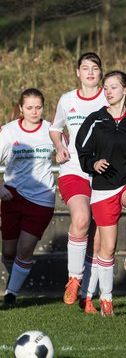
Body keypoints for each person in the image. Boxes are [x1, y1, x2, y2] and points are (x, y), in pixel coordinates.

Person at [75, 70, 126, 316]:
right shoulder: (95, 120)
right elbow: (83, 152)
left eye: (113, 87)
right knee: (106, 249)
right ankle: (106, 300)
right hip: (102, 189)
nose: (108, 91)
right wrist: (93, 164)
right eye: (106, 87)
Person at [49, 52, 108, 313]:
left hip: (105, 174)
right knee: (81, 219)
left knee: (97, 239)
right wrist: (60, 146)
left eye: (94, 68)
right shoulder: (67, 99)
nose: (90, 73)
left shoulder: (109, 97)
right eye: (85, 68)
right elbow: (54, 128)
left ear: (101, 72)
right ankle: (74, 278)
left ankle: (88, 297)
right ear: (78, 72)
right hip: (74, 170)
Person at [0, 88, 56, 308]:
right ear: (21, 109)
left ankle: (11, 294)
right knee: (9, 251)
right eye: (30, 108)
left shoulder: (52, 130)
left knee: (25, 249)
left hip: (42, 198)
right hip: (12, 196)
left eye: (38, 107)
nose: (34, 112)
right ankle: (16, 279)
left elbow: (70, 155)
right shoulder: (9, 132)